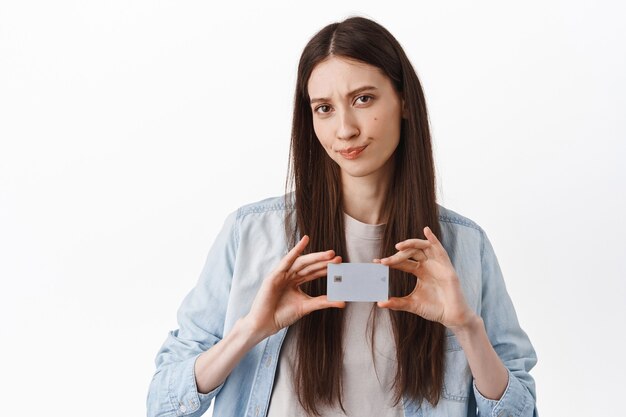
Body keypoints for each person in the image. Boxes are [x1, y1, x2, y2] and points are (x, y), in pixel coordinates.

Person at [146, 15, 538, 417]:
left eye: (363, 99)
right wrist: (249, 330)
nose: (345, 129)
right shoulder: (250, 234)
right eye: (324, 108)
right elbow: (163, 404)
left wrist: (467, 327)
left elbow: (521, 410)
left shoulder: (465, 247)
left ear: (403, 100)